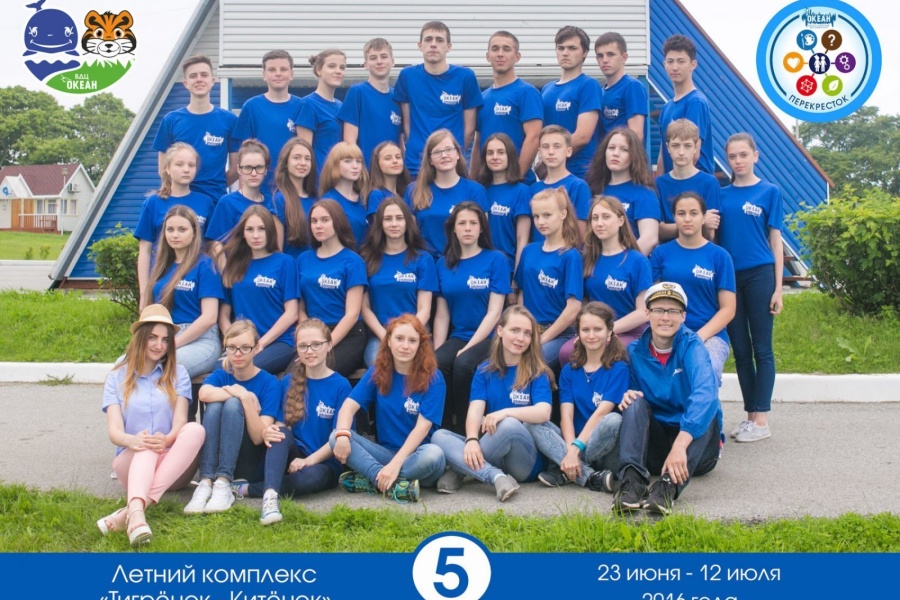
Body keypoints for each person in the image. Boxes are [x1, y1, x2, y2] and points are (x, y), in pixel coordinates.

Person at [99, 304, 205, 546]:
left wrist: (166, 440)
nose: (159, 345)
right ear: (141, 338)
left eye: (165, 340)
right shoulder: (116, 377)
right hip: (131, 462)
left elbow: (180, 421)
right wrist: (134, 440)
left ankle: (131, 512)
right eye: (153, 338)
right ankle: (137, 514)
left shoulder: (178, 373)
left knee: (195, 429)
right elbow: (114, 432)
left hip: (173, 464)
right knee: (146, 445)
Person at [614, 282, 722, 516]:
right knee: (633, 401)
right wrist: (627, 395)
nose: (665, 317)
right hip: (659, 444)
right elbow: (635, 400)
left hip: (695, 448)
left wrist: (680, 445)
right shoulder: (634, 351)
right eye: (658, 310)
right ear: (647, 313)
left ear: (683, 316)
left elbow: (705, 394)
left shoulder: (693, 346)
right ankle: (632, 482)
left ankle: (667, 487)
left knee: (708, 408)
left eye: (673, 311)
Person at [233, 319, 350, 524]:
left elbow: (337, 439)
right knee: (280, 433)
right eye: (303, 346)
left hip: (323, 463)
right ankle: (270, 499)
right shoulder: (288, 381)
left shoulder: (341, 385)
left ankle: (249, 489)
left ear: (329, 345)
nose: (309, 351)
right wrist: (269, 432)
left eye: (316, 344)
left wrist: (307, 461)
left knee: (311, 479)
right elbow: (282, 427)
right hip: (292, 455)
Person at [432, 305, 552, 501]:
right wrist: (471, 440)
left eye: (527, 333)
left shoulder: (536, 371)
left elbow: (544, 412)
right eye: (515, 330)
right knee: (439, 436)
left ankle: (460, 470)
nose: (521, 338)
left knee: (509, 425)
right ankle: (496, 476)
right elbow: (475, 410)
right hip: (495, 452)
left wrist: (505, 412)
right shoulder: (484, 370)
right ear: (500, 330)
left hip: (525, 460)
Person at [329, 315, 447, 503]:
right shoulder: (377, 372)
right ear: (389, 341)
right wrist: (343, 434)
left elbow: (422, 428)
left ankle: (374, 478)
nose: (405, 346)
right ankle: (391, 485)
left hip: (419, 458)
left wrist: (395, 465)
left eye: (412, 341)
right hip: (385, 454)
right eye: (399, 338)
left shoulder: (434, 378)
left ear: (420, 345)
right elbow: (348, 407)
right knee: (335, 437)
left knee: (434, 454)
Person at [718, 133, 784, 443]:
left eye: (743, 155)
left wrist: (778, 288)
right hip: (730, 278)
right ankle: (749, 417)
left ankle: (762, 419)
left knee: (762, 348)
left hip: (760, 275)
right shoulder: (721, 195)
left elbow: (775, 241)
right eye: (732, 156)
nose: (738, 161)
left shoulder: (769, 192)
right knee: (741, 351)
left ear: (755, 155)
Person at [528, 301, 628, 491]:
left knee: (613, 420)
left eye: (597, 329)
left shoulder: (619, 368)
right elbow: (566, 416)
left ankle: (566, 469)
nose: (591, 335)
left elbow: (601, 413)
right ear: (578, 334)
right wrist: (570, 448)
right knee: (533, 424)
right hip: (573, 444)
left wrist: (575, 450)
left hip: (605, 450)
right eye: (585, 330)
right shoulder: (569, 370)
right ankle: (588, 476)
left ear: (609, 332)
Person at [185, 320, 282, 514]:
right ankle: (206, 482)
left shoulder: (270, 383)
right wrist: (239, 391)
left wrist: (245, 399)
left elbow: (259, 437)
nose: (238, 354)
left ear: (256, 349)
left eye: (245, 348)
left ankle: (223, 482)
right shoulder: (221, 374)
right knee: (216, 405)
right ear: (225, 348)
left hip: (248, 461)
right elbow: (204, 394)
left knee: (232, 404)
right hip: (220, 453)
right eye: (232, 347)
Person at [434, 202, 510, 433]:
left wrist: (468, 347)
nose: (467, 228)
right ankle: (443, 430)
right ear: (453, 229)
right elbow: (442, 315)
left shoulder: (496, 259)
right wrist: (437, 350)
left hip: (491, 336)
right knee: (437, 364)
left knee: (464, 364)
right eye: (462, 223)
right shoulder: (443, 264)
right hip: (459, 335)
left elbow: (495, 313)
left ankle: (466, 432)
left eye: (473, 223)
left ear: (481, 228)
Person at [650, 192, 736, 386]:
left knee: (706, 369)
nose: (687, 219)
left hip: (709, 336)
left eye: (694, 213)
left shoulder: (720, 256)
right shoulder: (660, 254)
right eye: (681, 213)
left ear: (704, 217)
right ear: (674, 217)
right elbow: (656, 303)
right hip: (668, 332)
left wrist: (698, 338)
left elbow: (728, 309)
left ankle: (707, 407)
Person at [557, 194, 652, 366]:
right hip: (595, 330)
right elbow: (583, 302)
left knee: (609, 354)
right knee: (566, 353)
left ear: (621, 220)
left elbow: (643, 312)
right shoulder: (587, 259)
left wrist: (609, 330)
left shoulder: (638, 261)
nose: (599, 223)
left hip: (630, 331)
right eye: (595, 218)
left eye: (606, 217)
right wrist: (590, 331)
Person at [143, 206, 223, 378]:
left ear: (194, 232)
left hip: (201, 341)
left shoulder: (206, 265)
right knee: (123, 365)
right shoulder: (160, 266)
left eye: (182, 229)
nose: (175, 235)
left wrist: (171, 344)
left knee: (164, 367)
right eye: (170, 229)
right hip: (163, 336)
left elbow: (209, 317)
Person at [219, 205, 299, 375]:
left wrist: (260, 344)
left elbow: (292, 313)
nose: (256, 235)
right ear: (243, 233)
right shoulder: (233, 265)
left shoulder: (286, 263)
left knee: (241, 368)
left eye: (261, 229)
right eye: (250, 229)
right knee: (219, 369)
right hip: (243, 344)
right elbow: (224, 315)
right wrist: (234, 343)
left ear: (270, 231)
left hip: (280, 342)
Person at [394, 21, 483, 175]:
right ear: (420, 45)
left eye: (439, 40)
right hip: (416, 165)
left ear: (449, 46)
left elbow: (469, 130)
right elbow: (407, 125)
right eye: (428, 39)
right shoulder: (407, 76)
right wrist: (420, 149)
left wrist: (450, 154)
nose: (433, 44)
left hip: (452, 165)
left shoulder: (465, 77)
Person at [359, 197, 437, 366]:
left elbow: (424, 309)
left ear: (407, 222)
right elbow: (364, 308)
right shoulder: (367, 259)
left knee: (420, 366)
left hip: (416, 332)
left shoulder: (423, 259)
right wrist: (388, 336)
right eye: (388, 219)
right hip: (381, 333)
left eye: (399, 218)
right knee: (377, 363)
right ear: (380, 224)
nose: (394, 224)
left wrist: (406, 335)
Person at [135, 142, 214, 308]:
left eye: (191, 165)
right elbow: (145, 250)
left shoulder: (205, 202)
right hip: (162, 277)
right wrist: (144, 293)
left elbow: (211, 245)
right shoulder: (153, 203)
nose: (186, 169)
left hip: (195, 282)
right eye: (179, 164)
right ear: (167, 169)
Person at [153, 55, 239, 204]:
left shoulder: (229, 120)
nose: (199, 79)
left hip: (215, 202)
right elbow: (163, 168)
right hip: (180, 202)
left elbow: (236, 168)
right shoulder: (171, 120)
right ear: (185, 83)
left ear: (212, 81)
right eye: (193, 76)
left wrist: (216, 186)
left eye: (204, 75)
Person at [296, 200, 368, 377]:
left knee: (316, 373)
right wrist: (310, 339)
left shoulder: (353, 261)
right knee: (293, 376)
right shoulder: (303, 260)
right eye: (314, 221)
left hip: (347, 335)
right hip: (313, 334)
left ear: (337, 222)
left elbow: (352, 314)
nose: (318, 226)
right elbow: (300, 308)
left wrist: (325, 345)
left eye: (325, 220)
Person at [515, 188, 583, 370]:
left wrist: (542, 339)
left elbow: (573, 308)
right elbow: (521, 293)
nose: (541, 222)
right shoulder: (529, 251)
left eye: (547, 215)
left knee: (530, 363)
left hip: (560, 333)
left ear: (563, 214)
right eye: (536, 216)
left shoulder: (570, 256)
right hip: (528, 330)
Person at [471, 30, 542, 184]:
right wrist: (473, 179)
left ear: (517, 56)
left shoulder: (527, 92)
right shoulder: (482, 98)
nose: (500, 54)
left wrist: (516, 177)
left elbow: (533, 137)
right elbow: (478, 141)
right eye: (495, 49)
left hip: (517, 183)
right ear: (488, 56)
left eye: (506, 49)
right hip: (487, 184)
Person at [404, 129, 488, 258]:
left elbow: (483, 235)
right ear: (430, 160)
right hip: (425, 262)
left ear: (458, 154)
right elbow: (409, 236)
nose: (444, 155)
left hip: (462, 262)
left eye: (449, 150)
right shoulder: (414, 190)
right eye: (437, 152)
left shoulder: (475, 191)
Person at [231, 50, 304, 194]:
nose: (278, 73)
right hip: (260, 189)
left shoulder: (302, 106)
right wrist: (244, 192)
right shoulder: (251, 107)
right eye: (272, 69)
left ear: (292, 74)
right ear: (264, 75)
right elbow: (244, 153)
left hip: (292, 188)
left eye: (283, 69)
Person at [585, 128, 660, 256]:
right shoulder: (593, 189)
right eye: (611, 148)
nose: (615, 153)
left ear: (634, 156)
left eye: (624, 150)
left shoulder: (644, 194)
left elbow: (649, 239)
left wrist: (623, 263)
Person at [540, 26, 602, 179]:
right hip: (550, 173)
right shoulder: (546, 89)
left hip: (580, 173)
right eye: (561, 48)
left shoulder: (588, 85)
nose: (565, 53)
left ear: (584, 52)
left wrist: (550, 159)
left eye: (572, 48)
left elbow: (583, 136)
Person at [205, 140, 279, 261]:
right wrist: (225, 270)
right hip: (237, 267)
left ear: (266, 170)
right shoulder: (227, 202)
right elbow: (215, 243)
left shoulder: (273, 202)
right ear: (239, 169)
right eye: (248, 168)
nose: (254, 173)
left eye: (259, 167)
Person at [338, 38, 402, 168]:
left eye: (383, 56)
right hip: (365, 172)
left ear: (393, 62)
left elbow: (400, 140)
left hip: (392, 173)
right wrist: (357, 171)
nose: (379, 61)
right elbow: (349, 142)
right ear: (365, 64)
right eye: (373, 58)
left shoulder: (398, 97)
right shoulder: (357, 92)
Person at [475, 133, 533, 274]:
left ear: (510, 156)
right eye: (490, 153)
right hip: (480, 269)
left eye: (501, 152)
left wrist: (517, 277)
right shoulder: (478, 190)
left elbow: (522, 239)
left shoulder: (522, 191)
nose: (495, 157)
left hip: (508, 268)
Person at [656, 119, 721, 242]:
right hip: (669, 251)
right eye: (675, 145)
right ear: (668, 147)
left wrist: (672, 228)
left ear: (696, 147)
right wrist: (699, 223)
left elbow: (710, 233)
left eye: (687, 146)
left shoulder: (709, 183)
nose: (681, 152)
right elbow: (657, 229)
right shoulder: (659, 184)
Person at [656, 35, 713, 175]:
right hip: (672, 182)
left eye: (681, 61)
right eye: (670, 61)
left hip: (694, 184)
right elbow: (663, 154)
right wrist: (660, 184)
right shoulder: (666, 108)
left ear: (693, 65)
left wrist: (676, 183)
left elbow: (693, 154)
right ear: (664, 65)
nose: (675, 67)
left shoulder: (695, 102)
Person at [529, 125, 591, 241]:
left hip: (565, 250)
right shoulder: (533, 188)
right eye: (545, 147)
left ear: (568, 151)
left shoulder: (578, 186)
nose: (551, 152)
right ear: (540, 152)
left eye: (557, 146)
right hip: (538, 250)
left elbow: (581, 235)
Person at [295, 49, 346, 176]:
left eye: (342, 67)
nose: (338, 71)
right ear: (319, 70)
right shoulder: (308, 104)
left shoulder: (341, 106)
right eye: (332, 66)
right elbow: (304, 151)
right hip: (320, 179)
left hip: (340, 178)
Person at [595, 32, 648, 142]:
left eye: (610, 54)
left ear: (624, 57)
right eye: (600, 56)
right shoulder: (600, 92)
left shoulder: (632, 87)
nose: (605, 60)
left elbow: (636, 135)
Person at [319, 142, 371, 247]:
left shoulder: (366, 198)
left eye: (358, 161)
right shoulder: (328, 201)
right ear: (335, 164)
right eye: (348, 161)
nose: (355, 166)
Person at [272, 138, 316, 258]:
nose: (303, 163)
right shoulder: (279, 200)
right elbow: (277, 251)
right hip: (292, 267)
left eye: (307, 159)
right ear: (286, 163)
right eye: (296, 158)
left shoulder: (316, 199)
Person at [366, 140, 412, 216]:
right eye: (388, 158)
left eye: (398, 157)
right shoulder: (376, 195)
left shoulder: (407, 193)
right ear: (377, 164)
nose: (395, 161)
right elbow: (377, 222)